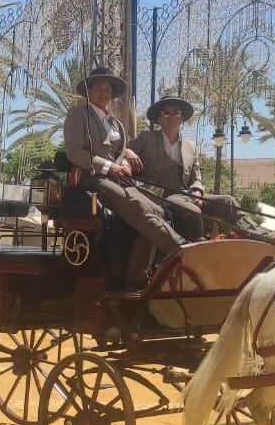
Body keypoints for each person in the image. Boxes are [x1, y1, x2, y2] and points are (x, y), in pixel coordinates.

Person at [62, 66, 185, 281]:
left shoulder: (116, 123)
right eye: (98, 88)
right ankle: (183, 250)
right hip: (91, 179)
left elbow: (119, 154)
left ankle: (138, 276)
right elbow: (73, 152)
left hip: (118, 179)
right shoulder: (78, 115)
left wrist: (124, 165)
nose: (104, 92)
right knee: (137, 206)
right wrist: (110, 167)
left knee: (156, 209)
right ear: (89, 91)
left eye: (107, 89)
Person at [129, 94, 273, 242]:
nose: (172, 116)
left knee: (227, 201)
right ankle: (197, 247)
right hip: (159, 197)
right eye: (166, 113)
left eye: (176, 112)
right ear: (159, 119)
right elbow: (123, 150)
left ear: (182, 118)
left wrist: (197, 191)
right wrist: (129, 151)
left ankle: (260, 237)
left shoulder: (190, 146)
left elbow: (196, 178)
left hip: (187, 195)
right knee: (191, 210)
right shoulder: (146, 138)